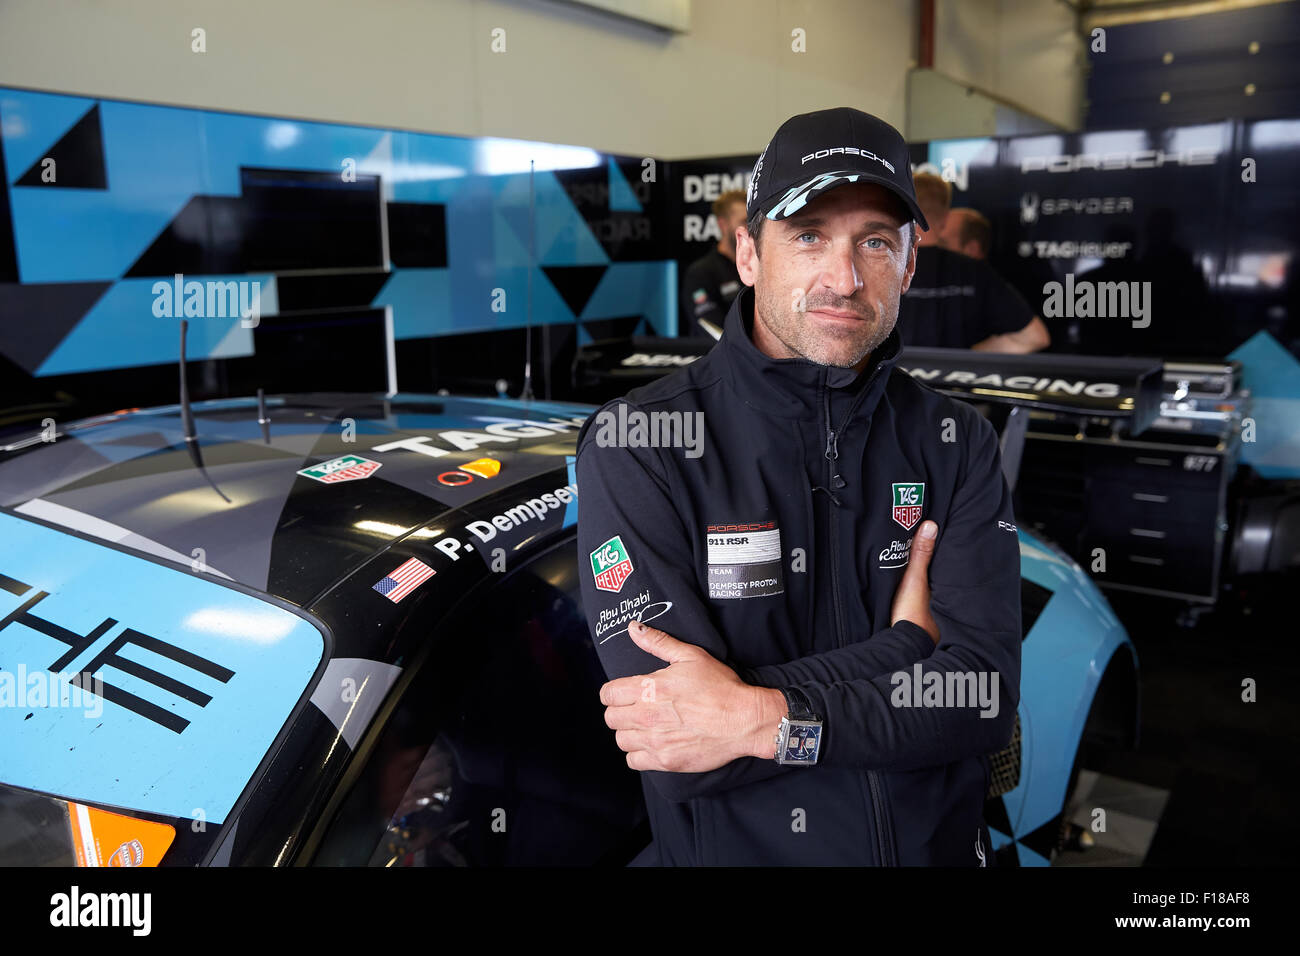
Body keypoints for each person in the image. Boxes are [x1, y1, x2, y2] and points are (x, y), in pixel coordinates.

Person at [575, 107, 1021, 866]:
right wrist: (911, 645)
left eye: (875, 242)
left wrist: (757, 716)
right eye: (808, 234)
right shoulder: (639, 442)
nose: (843, 279)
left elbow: (979, 702)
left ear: (910, 265)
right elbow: (682, 741)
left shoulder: (956, 440)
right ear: (748, 254)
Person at [900, 172, 1050, 352]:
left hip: (890, 378)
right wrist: (968, 359)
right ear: (945, 218)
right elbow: (1033, 337)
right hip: (953, 380)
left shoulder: (885, 267)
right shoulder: (973, 272)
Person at [678, 189, 746, 339]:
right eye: (744, 222)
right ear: (723, 224)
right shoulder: (700, 273)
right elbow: (713, 330)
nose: (751, 228)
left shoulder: (760, 266)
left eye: (754, 221)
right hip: (722, 358)